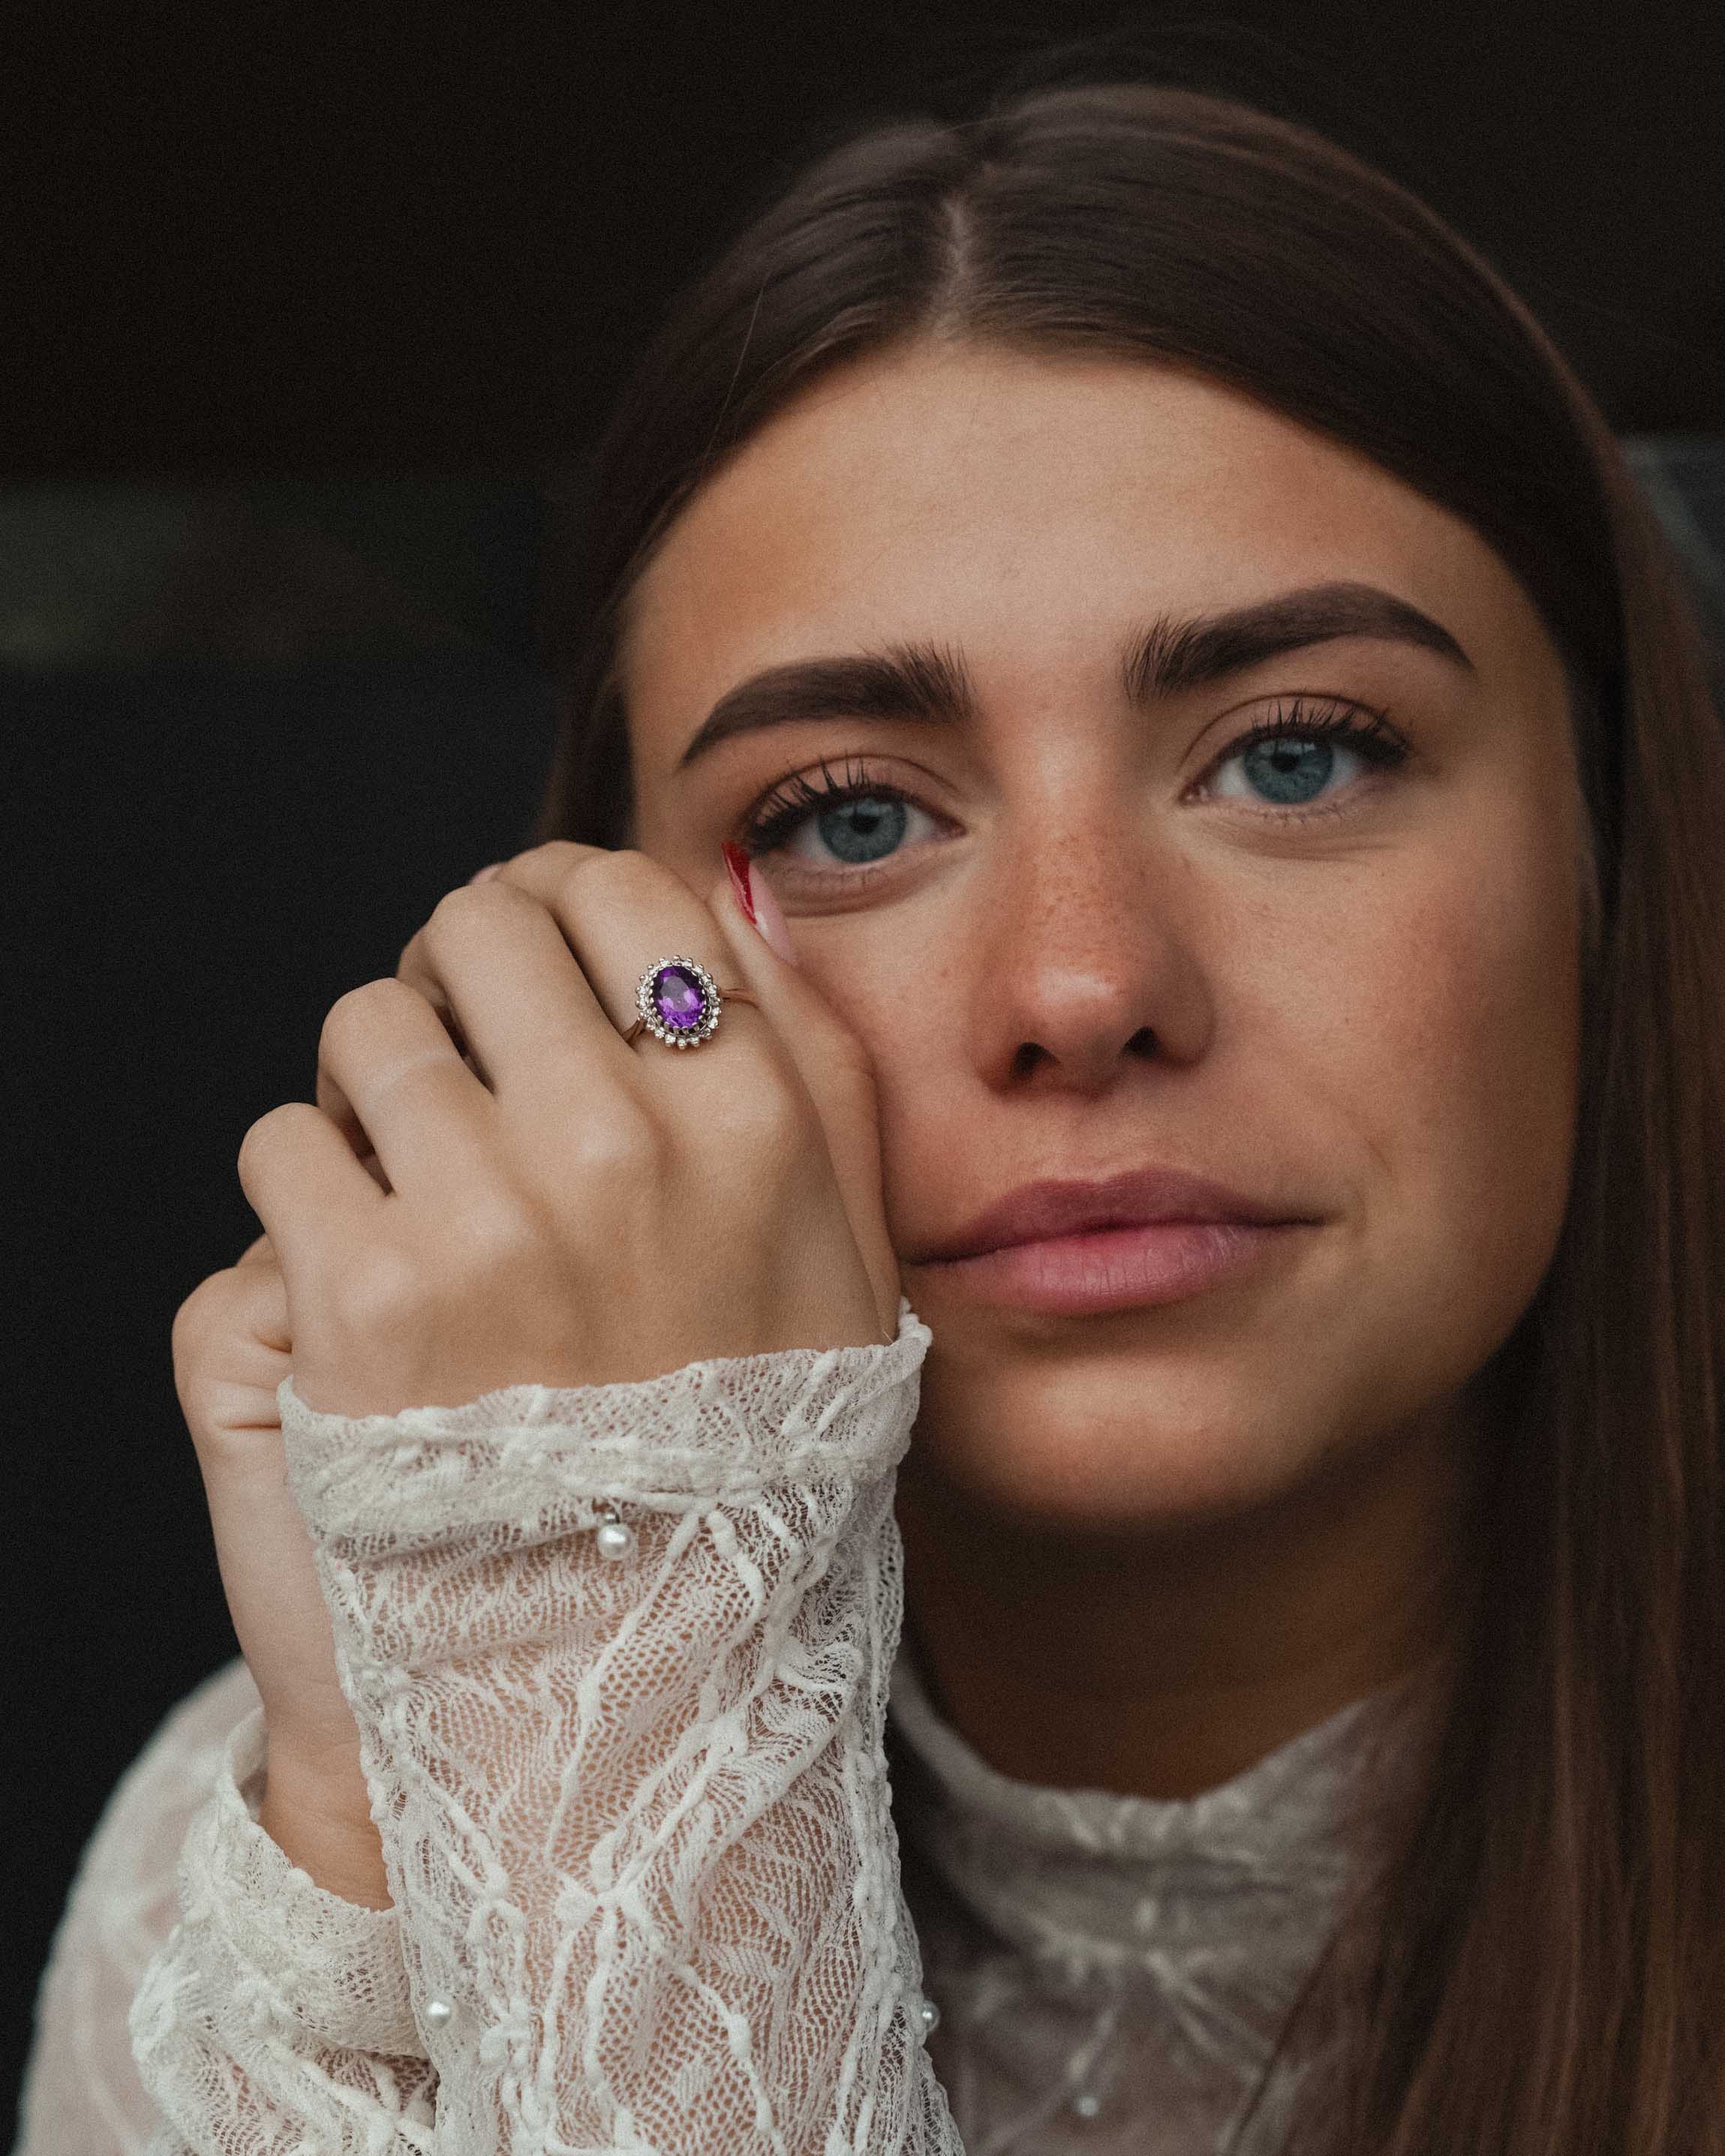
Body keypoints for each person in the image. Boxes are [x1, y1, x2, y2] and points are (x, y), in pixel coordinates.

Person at [16, 74, 1725, 2156]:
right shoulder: (282, 1884)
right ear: (613, 967)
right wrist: (531, 1703)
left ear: (1604, 864)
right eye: (849, 815)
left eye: (1296, 759)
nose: (1081, 989)